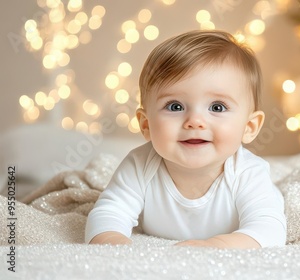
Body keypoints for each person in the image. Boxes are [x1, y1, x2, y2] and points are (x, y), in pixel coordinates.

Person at [85, 30, 287, 249]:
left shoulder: (248, 173)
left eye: (217, 107)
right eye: (175, 106)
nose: (195, 121)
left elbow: (269, 230)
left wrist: (214, 246)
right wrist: (113, 241)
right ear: (146, 124)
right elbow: (109, 213)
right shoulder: (139, 165)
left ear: (249, 127)